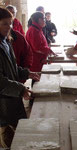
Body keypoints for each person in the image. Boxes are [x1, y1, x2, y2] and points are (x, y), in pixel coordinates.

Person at [0, 8, 40, 148]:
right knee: (8, 136)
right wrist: (20, 88)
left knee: (20, 134)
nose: (9, 27)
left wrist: (26, 73)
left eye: (10, 23)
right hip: (3, 102)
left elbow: (12, 67)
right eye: (5, 23)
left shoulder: (6, 41)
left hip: (12, 98)